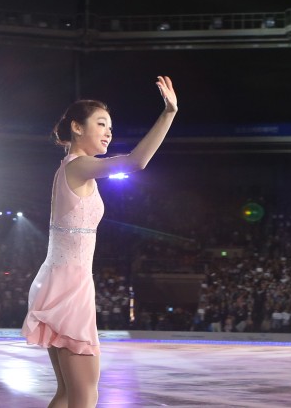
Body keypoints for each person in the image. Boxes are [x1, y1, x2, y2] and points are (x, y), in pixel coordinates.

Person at [22, 76, 178, 408]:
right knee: (84, 394)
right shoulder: (78, 167)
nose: (109, 132)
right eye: (101, 124)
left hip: (63, 281)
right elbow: (137, 162)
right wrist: (169, 113)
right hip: (69, 286)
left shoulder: (73, 168)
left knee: (68, 393)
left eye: (110, 126)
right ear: (77, 128)